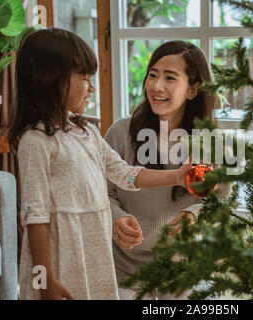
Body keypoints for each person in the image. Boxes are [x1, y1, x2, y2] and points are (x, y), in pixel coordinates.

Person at [9, 29, 192, 300]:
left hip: (95, 253)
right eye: (85, 78)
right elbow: (34, 218)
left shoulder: (89, 133)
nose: (92, 87)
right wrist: (45, 280)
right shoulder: (36, 142)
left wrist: (176, 176)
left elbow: (126, 174)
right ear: (52, 80)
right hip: (60, 257)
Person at [105, 40, 228, 300]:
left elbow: (220, 199)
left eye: (170, 78)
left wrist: (193, 216)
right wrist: (115, 218)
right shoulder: (120, 133)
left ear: (193, 90)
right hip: (125, 268)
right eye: (152, 75)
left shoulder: (210, 141)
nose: (156, 86)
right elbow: (101, 192)